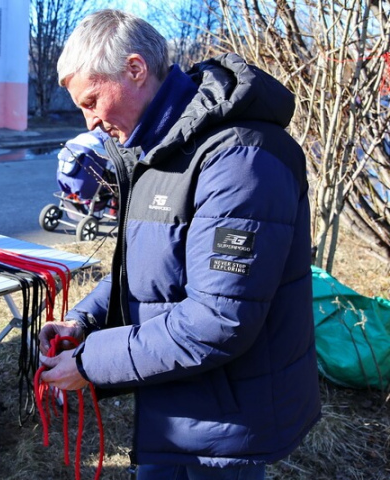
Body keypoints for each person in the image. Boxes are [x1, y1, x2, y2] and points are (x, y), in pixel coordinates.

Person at [38, 9, 321, 479]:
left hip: (225, 426)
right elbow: (150, 268)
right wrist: (82, 319)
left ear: (135, 69)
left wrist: (88, 364)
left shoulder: (240, 158)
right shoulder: (161, 150)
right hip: (177, 406)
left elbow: (219, 320)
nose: (89, 123)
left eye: (92, 101)